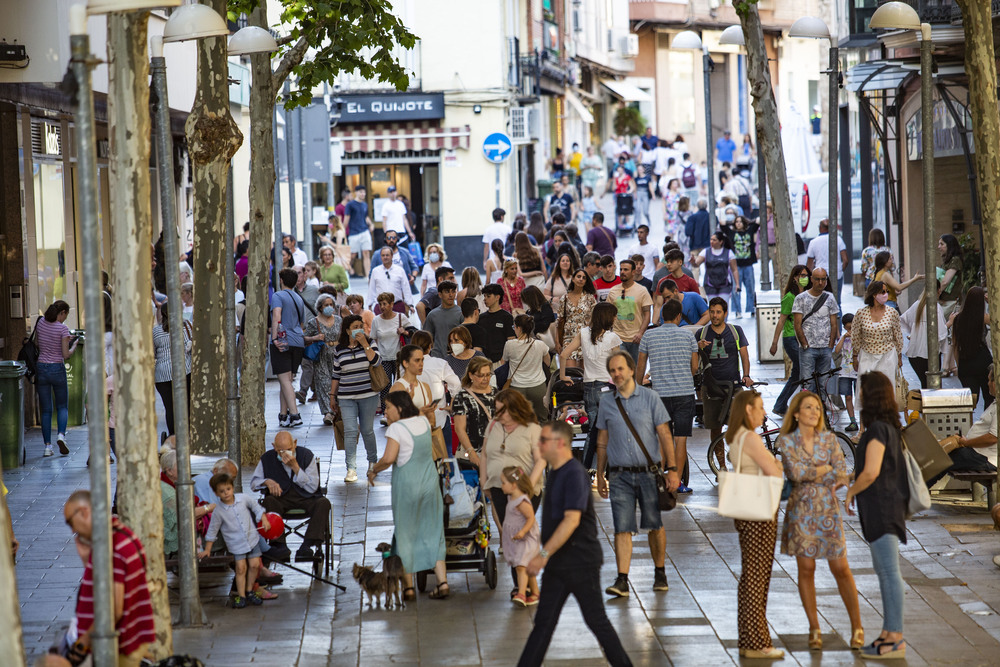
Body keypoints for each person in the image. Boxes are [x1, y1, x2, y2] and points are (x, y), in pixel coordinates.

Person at [516, 420, 632, 667]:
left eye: (543, 440)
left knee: (597, 621)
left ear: (559, 443)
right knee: (544, 624)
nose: (539, 445)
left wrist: (543, 554)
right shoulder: (556, 471)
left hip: (580, 564)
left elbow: (571, 521)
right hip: (560, 564)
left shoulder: (574, 474)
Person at [776, 391, 863, 650]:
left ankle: (857, 626)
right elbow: (796, 472)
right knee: (807, 569)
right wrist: (824, 470)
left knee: (841, 568)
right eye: (809, 408)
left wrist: (825, 472)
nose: (815, 412)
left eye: (817, 408)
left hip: (827, 510)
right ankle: (814, 628)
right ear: (796, 414)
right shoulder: (787, 442)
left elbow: (841, 473)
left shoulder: (829, 439)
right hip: (801, 511)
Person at [595, 350, 681, 597]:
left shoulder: (651, 397)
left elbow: (665, 435)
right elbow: (602, 441)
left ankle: (660, 571)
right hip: (619, 475)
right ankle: (622, 579)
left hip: (648, 473)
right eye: (612, 371)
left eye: (620, 369)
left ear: (632, 370)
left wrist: (672, 470)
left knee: (654, 524)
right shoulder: (607, 402)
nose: (616, 374)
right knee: (622, 527)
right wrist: (600, 474)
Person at [845, 372, 910, 660]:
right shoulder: (887, 428)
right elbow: (874, 467)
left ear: (869, 396)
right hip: (886, 506)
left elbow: (871, 473)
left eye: (862, 390)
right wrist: (848, 478)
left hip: (882, 508)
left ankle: (894, 638)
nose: (858, 395)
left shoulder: (876, 431)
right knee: (886, 572)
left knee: (888, 573)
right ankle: (888, 633)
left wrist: (850, 492)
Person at [368, 391, 450, 600]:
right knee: (433, 532)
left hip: (407, 487)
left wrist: (373, 470)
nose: (385, 411)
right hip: (430, 484)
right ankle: (442, 583)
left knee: (406, 534)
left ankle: (409, 588)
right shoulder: (422, 421)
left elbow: (388, 458)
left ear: (400, 408)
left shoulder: (396, 428)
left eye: (388, 407)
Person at [725, 390, 785, 659]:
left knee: (752, 574)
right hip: (759, 510)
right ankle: (757, 642)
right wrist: (779, 465)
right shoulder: (750, 437)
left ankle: (751, 638)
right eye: (760, 407)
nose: (763, 412)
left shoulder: (736, 436)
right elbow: (774, 471)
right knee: (757, 576)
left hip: (746, 509)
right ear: (747, 410)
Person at [64, 490, 156, 666]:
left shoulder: (112, 547)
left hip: (118, 647)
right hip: (128, 641)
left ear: (84, 513)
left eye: (70, 522)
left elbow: (113, 609)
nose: (73, 530)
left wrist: (83, 643)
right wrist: (87, 560)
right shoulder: (121, 535)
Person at [637, 299, 699, 494]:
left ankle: (659, 483)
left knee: (662, 439)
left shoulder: (649, 336)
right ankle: (677, 482)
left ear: (662, 316)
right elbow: (695, 368)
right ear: (679, 316)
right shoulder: (688, 336)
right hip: (684, 393)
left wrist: (638, 387)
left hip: (659, 396)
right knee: (680, 439)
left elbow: (640, 366)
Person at [251, 430, 331, 561]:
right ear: (274, 447)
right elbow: (254, 483)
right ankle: (279, 545)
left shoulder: (306, 455)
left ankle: (307, 545)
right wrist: (266, 481)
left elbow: (312, 487)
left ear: (295, 444)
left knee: (323, 503)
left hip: (305, 497)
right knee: (268, 502)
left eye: (288, 449)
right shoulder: (267, 458)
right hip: (281, 499)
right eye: (280, 451)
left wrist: (296, 468)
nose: (284, 454)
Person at [480, 390, 546, 548]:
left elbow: (541, 460)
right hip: (498, 487)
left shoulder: (531, 428)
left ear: (516, 409)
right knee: (510, 533)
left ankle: (524, 570)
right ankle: (521, 570)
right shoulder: (493, 425)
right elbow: (484, 454)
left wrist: (527, 487)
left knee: (520, 534)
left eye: (503, 410)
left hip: (524, 491)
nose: (498, 414)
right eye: (497, 409)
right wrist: (484, 481)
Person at [559, 302, 620, 469]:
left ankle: (588, 469)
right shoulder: (612, 337)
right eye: (614, 315)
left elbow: (564, 354)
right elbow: (619, 365)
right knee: (608, 431)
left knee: (592, 430)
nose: (615, 318)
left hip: (589, 387)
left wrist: (564, 375)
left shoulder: (584, 333)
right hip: (607, 388)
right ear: (608, 317)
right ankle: (598, 469)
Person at [198, 472, 269, 607]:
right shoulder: (218, 511)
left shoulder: (243, 498)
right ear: (216, 493)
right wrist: (208, 548)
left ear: (233, 487)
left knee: (254, 565)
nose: (226, 493)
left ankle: (249, 591)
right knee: (240, 569)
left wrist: (263, 518)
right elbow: (212, 530)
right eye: (222, 491)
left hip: (252, 539)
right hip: (236, 544)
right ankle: (241, 596)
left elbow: (256, 507)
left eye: (228, 489)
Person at [329, 314, 381, 482]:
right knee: (350, 431)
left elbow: (377, 362)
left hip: (368, 395)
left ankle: (372, 462)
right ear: (347, 330)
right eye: (355, 327)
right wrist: (332, 396)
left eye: (361, 325)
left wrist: (365, 344)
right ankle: (351, 468)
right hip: (346, 397)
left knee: (367, 431)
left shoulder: (370, 342)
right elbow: (336, 374)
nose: (359, 329)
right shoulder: (339, 349)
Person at [698, 297, 753, 447]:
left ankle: (738, 460)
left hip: (734, 386)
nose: (715, 315)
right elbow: (693, 361)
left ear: (725, 313)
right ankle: (721, 466)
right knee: (715, 429)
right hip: (710, 388)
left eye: (718, 312)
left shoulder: (735, 331)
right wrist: (697, 347)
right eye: (712, 312)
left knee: (740, 426)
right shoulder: (701, 333)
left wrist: (746, 375)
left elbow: (744, 354)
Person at [33, 300, 79, 457]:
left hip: (42, 368)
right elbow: (65, 355)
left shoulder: (40, 323)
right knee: (62, 407)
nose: (65, 318)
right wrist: (73, 345)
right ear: (63, 313)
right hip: (57, 369)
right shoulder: (62, 328)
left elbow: (38, 344)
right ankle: (61, 435)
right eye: (66, 315)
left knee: (46, 410)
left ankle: (47, 447)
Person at [770, 265, 811, 415]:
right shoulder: (790, 297)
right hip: (791, 338)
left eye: (806, 275)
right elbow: (781, 320)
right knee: (802, 369)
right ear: (794, 277)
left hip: (804, 338)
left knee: (797, 372)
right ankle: (796, 405)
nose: (804, 278)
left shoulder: (808, 295)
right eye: (801, 275)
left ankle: (780, 405)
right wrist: (774, 343)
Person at [270, 268, 308, 428]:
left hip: (283, 341)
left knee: (285, 380)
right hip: (298, 341)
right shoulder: (299, 298)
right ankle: (283, 415)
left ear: (281, 280)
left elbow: (277, 315)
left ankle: (295, 414)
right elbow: (301, 323)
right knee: (286, 380)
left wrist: (274, 337)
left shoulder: (278, 296)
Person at [792, 268, 840, 393]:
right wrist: (804, 344)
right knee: (808, 383)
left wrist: (830, 345)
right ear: (812, 279)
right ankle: (807, 409)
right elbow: (797, 324)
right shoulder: (800, 298)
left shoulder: (830, 298)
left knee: (824, 383)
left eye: (823, 279)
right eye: (817, 279)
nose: (820, 282)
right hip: (808, 349)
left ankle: (822, 408)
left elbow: (834, 323)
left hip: (825, 348)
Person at [501, 466, 542, 606]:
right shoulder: (511, 498)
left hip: (526, 539)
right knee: (527, 566)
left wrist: (523, 531)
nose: (501, 486)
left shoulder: (522, 501)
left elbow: (531, 518)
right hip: (518, 539)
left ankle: (522, 594)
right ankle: (536, 593)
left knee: (521, 566)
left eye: (503, 483)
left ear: (513, 485)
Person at [851, 280, 904, 384]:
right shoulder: (861, 313)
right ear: (874, 294)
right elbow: (856, 336)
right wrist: (855, 356)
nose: (886, 294)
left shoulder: (892, 313)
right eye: (883, 292)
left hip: (887, 356)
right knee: (866, 389)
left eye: (887, 291)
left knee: (887, 388)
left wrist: (899, 356)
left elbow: (897, 335)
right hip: (867, 355)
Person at [152, 303, 192, 437]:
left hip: (162, 376)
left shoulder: (155, 331)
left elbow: (152, 354)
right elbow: (191, 345)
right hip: (183, 371)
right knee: (185, 406)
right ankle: (186, 435)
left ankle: (173, 437)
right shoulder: (185, 325)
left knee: (170, 408)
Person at [502, 315, 551, 421]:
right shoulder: (540, 344)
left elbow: (504, 362)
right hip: (538, 386)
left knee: (518, 420)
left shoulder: (509, 345)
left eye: (514, 327)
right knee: (542, 419)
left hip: (517, 387)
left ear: (519, 328)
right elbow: (547, 362)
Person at [304, 293, 344, 424]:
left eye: (331, 304)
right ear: (320, 307)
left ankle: (338, 409)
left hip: (337, 355)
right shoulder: (313, 322)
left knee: (337, 382)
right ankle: (328, 412)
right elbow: (304, 339)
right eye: (326, 305)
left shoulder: (338, 320)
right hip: (321, 355)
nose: (329, 307)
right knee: (324, 383)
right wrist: (314, 338)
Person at [952, 286, 993, 410]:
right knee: (990, 398)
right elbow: (997, 318)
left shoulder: (958, 319)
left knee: (969, 403)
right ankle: (987, 425)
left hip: (966, 362)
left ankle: (968, 426)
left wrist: (959, 365)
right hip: (983, 362)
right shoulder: (984, 318)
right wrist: (990, 300)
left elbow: (955, 345)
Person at [451, 356, 496, 466]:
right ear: (471, 375)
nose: (485, 379)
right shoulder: (462, 397)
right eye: (480, 375)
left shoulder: (497, 394)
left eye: (488, 375)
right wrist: (471, 452)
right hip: (471, 455)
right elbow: (459, 428)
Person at [371, 292, 412, 414]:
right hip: (383, 357)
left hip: (398, 357)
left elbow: (413, 332)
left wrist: (404, 331)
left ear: (391, 304)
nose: (382, 307)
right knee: (385, 386)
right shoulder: (376, 320)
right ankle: (386, 412)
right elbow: (373, 339)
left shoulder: (400, 317)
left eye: (385, 304)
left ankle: (400, 410)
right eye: (380, 304)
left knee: (399, 385)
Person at [607, 259, 652, 361]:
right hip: (617, 338)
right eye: (621, 269)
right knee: (620, 368)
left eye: (626, 269)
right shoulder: (613, 291)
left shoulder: (642, 290)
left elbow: (647, 314)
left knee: (635, 371)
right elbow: (607, 314)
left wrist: (640, 333)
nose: (622, 272)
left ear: (633, 272)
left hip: (636, 339)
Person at [900, 293, 947, 389]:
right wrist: (950, 322)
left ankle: (924, 402)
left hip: (915, 354)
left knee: (925, 384)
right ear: (937, 291)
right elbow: (941, 333)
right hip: (930, 354)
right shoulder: (935, 307)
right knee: (932, 386)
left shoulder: (916, 304)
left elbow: (904, 320)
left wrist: (914, 333)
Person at [556, 269, 598, 369]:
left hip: (586, 338)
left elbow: (596, 319)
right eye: (578, 276)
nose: (581, 279)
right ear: (573, 279)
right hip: (569, 338)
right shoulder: (564, 298)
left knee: (584, 374)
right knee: (570, 372)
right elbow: (559, 321)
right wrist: (557, 342)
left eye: (584, 278)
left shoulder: (590, 298)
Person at [937, 233, 964, 376]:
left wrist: (936, 292)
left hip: (951, 301)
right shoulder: (948, 259)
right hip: (946, 300)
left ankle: (946, 366)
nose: (939, 247)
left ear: (949, 245)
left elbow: (946, 280)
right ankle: (951, 366)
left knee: (947, 332)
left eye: (942, 244)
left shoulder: (955, 260)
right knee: (949, 332)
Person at [724, 216, 759, 317]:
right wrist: (731, 221)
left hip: (748, 264)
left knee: (750, 288)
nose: (738, 223)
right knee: (735, 288)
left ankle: (751, 308)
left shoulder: (750, 231)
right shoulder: (732, 233)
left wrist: (749, 221)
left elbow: (757, 220)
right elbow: (722, 223)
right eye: (736, 222)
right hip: (736, 265)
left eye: (740, 222)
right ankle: (737, 311)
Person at [806, 219, 849, 301]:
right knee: (837, 302)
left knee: (821, 301)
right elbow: (845, 260)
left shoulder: (813, 242)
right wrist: (840, 270)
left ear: (820, 228)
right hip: (837, 275)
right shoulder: (838, 239)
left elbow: (809, 265)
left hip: (819, 276)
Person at [693, 232, 738, 304]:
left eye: (714, 240)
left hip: (725, 285)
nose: (711, 242)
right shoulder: (705, 252)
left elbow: (734, 270)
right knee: (713, 307)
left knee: (723, 306)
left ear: (721, 242)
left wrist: (737, 284)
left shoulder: (729, 253)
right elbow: (696, 264)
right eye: (711, 239)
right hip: (710, 285)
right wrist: (693, 262)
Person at [479, 283, 516, 371]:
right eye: (484, 296)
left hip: (500, 361)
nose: (485, 299)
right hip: (484, 361)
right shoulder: (481, 318)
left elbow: (511, 340)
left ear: (497, 297)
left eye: (488, 296)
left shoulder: (506, 317)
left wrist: (502, 361)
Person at [423, 280, 462, 359]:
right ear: (440, 294)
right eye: (447, 292)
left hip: (456, 357)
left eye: (453, 291)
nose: (451, 295)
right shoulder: (432, 315)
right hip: (437, 357)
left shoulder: (461, 313)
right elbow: (426, 339)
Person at [366, 247, 410, 315]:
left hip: (397, 305)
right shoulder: (375, 271)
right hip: (380, 306)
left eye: (387, 255)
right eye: (383, 255)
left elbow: (406, 288)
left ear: (392, 256)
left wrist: (410, 304)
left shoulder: (400, 270)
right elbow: (372, 289)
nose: (385, 257)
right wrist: (369, 304)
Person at [834, 314, 859, 431]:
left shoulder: (859, 336)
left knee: (859, 396)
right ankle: (853, 421)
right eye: (848, 328)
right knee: (848, 396)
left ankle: (863, 421)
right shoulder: (843, 337)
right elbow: (837, 350)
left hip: (857, 371)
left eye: (852, 327)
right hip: (844, 372)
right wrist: (843, 337)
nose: (850, 330)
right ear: (845, 328)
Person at [345, 184, 375, 277]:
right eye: (361, 192)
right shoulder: (350, 205)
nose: (363, 194)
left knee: (366, 253)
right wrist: (342, 232)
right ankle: (347, 271)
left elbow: (365, 216)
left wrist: (371, 224)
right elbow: (346, 219)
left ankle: (368, 276)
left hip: (364, 231)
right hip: (354, 232)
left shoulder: (364, 204)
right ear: (356, 193)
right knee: (352, 255)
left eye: (364, 192)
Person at [684, 199, 711, 281]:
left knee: (695, 268)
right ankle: (709, 284)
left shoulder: (692, 217)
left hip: (694, 245)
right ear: (706, 206)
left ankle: (696, 287)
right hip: (708, 246)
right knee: (709, 266)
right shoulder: (711, 217)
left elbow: (688, 232)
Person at [482, 207, 512, 273]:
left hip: (492, 258)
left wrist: (485, 260)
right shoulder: (508, 229)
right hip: (505, 257)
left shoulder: (488, 230)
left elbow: (486, 247)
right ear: (501, 217)